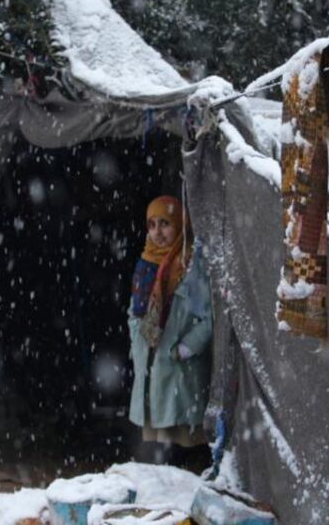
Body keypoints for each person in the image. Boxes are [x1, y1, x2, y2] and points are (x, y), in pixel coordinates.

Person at [127, 195, 213, 463]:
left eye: (165, 224)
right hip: (151, 367)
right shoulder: (145, 266)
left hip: (178, 368)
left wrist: (187, 349)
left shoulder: (192, 265)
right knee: (155, 449)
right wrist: (137, 341)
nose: (157, 232)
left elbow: (210, 318)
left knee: (181, 448)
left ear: (180, 224)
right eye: (151, 225)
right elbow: (133, 312)